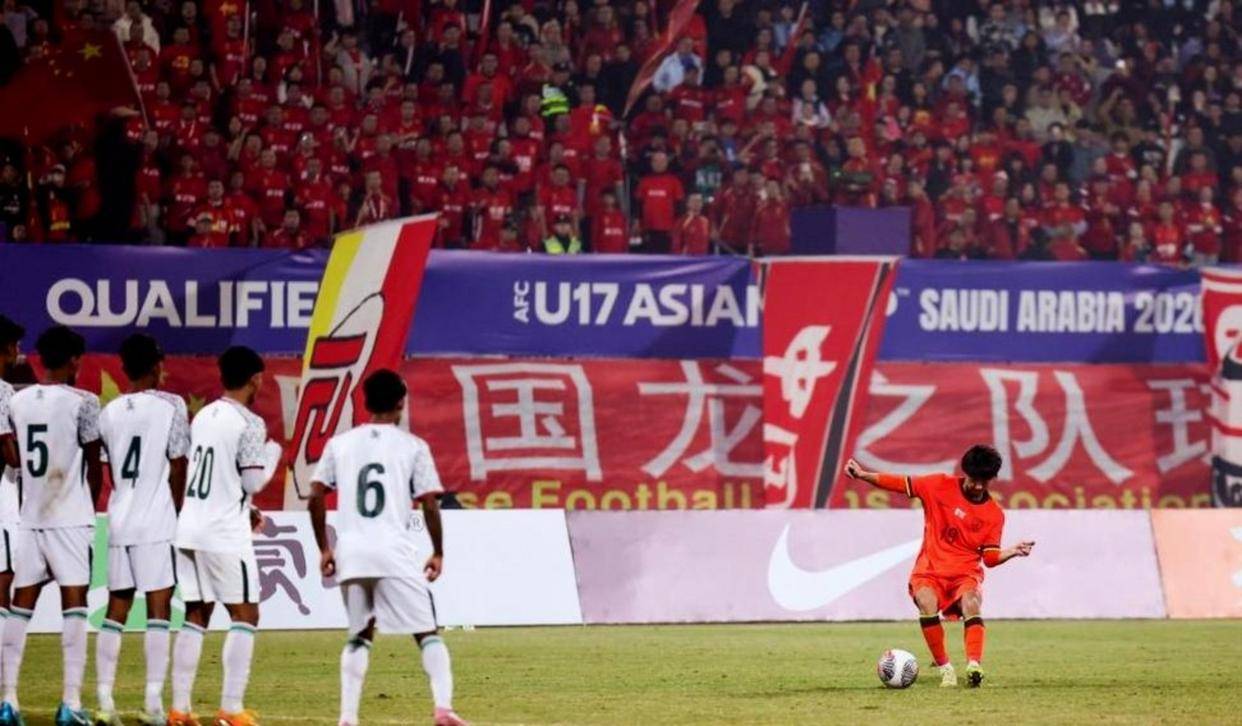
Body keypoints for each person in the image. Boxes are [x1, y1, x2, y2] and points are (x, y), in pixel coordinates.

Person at [308, 370, 466, 726]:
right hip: (393, 551)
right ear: (401, 403)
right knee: (427, 632)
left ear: (365, 402)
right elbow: (429, 503)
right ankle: (443, 709)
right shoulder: (412, 446)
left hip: (351, 553)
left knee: (359, 635)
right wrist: (438, 551)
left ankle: (347, 717)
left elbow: (316, 495)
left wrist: (324, 549)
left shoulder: (340, 444)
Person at [843, 445, 1035, 688]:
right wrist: (862, 475)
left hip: (965, 574)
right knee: (926, 601)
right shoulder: (938, 485)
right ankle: (946, 669)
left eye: (984, 482)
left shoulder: (994, 514)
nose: (978, 486)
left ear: (992, 479)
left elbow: (989, 559)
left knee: (972, 603)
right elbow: (900, 483)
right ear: (965, 473)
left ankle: (974, 665)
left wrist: (1012, 552)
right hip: (930, 569)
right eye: (974, 480)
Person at [1, 326, 103, 726]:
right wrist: (88, 510)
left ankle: (8, 701)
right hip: (70, 519)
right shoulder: (85, 402)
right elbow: (94, 465)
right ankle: (70, 703)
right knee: (74, 606)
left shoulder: (18, 401)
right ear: (75, 360)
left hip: (30, 518)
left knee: (19, 607)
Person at [170, 346, 275, 726]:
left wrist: (248, 509)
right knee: (245, 614)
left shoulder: (204, 416)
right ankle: (231, 708)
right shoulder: (250, 423)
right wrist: (273, 455)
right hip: (223, 533)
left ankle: (179, 709)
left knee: (196, 614)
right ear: (255, 379)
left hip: (189, 526)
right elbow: (253, 481)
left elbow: (217, 477)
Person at [94, 334, 190, 725]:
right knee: (158, 609)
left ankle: (104, 702)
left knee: (116, 608)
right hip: (157, 522)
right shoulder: (172, 405)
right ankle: (152, 703)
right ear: (156, 365)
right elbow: (179, 464)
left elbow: (108, 470)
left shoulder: (109, 411)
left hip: (120, 519)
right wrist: (178, 511)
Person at [0, 316, 25, 672]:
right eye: (16, 344)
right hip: (1, 498)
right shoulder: (4, 391)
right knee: (2, 583)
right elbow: (8, 450)